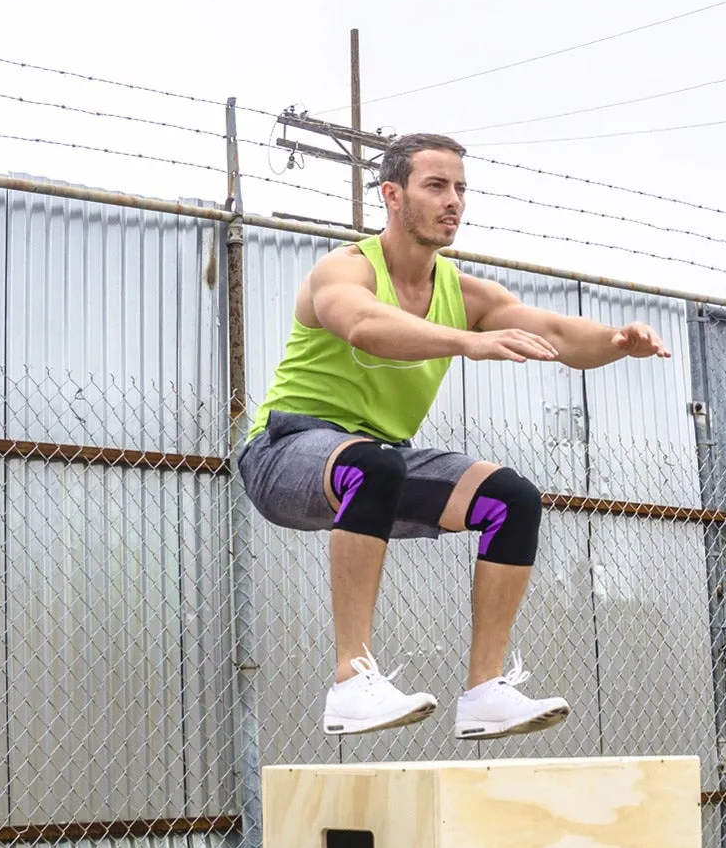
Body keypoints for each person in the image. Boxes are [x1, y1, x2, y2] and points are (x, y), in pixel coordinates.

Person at [238, 132, 668, 739]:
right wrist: (468, 341)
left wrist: (616, 343)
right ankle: (350, 683)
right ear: (392, 195)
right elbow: (362, 325)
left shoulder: (463, 293)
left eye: (461, 189)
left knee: (511, 498)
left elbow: (554, 332)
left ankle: (485, 693)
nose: (453, 202)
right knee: (376, 465)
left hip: (380, 459)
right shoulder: (343, 269)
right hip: (284, 452)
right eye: (436, 186)